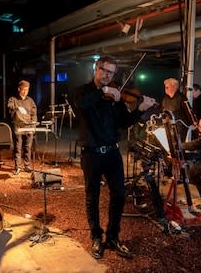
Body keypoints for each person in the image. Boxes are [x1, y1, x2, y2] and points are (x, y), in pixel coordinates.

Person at [74, 56, 157, 259]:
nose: (107, 75)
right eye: (104, 70)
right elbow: (81, 106)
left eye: (111, 72)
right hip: (91, 154)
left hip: (112, 153)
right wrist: (103, 91)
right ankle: (96, 237)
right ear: (96, 69)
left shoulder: (117, 97)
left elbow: (124, 122)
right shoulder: (83, 92)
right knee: (92, 197)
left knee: (119, 194)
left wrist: (139, 110)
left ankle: (113, 237)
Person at [7, 80, 38, 175]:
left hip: (28, 126)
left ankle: (27, 165)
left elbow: (34, 114)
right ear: (19, 89)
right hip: (18, 126)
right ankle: (18, 167)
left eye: (27, 90)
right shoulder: (13, 99)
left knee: (28, 147)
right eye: (23, 90)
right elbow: (9, 106)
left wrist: (33, 127)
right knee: (18, 147)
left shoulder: (30, 101)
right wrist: (16, 108)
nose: (25, 91)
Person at [161, 78, 193, 142]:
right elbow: (162, 110)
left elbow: (188, 111)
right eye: (165, 87)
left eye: (167, 87)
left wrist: (192, 123)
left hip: (180, 126)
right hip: (168, 126)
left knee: (178, 145)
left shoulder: (181, 97)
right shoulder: (165, 98)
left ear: (174, 86)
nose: (165, 88)